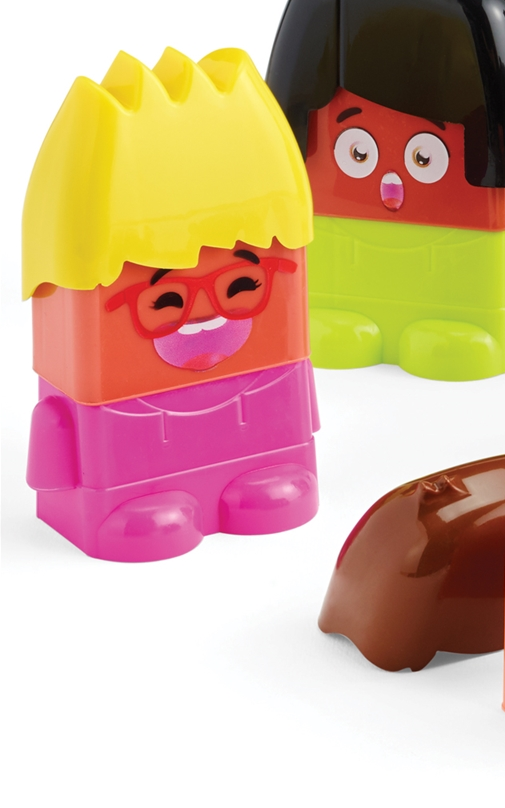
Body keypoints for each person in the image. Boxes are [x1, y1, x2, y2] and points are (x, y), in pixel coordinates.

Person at [24, 48, 319, 561]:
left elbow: (301, 400)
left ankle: (257, 470)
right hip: (124, 480)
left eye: (239, 288)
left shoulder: (277, 366)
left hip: (267, 451)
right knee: (141, 518)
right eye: (165, 301)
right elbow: (56, 432)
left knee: (267, 486)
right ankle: (136, 498)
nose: (204, 316)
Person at [267, 0, 505, 380]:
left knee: (456, 341)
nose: (391, 186)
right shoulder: (316, 201)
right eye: (358, 154)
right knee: (336, 328)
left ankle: (458, 329)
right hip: (339, 305)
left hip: (464, 314)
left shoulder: (491, 213)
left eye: (424, 158)